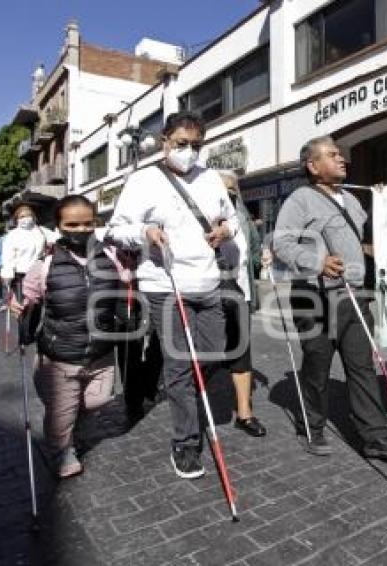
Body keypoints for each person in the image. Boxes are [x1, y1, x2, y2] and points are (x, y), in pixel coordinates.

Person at [106, 111, 237, 480]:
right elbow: (115, 231)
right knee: (180, 362)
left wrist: (225, 230)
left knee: (213, 351)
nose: (189, 151)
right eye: (182, 144)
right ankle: (185, 441)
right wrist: (145, 232)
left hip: (207, 281)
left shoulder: (211, 178)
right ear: (165, 141)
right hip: (165, 284)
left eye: (196, 145)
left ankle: (176, 388)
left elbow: (232, 219)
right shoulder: (142, 180)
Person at [272, 135, 387, 460]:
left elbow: (362, 243)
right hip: (315, 299)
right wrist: (317, 262)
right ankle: (312, 427)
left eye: (340, 154)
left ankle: (375, 436)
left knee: (362, 367)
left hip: (354, 297)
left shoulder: (354, 200)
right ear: (313, 166)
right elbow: (281, 243)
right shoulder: (300, 199)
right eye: (332, 155)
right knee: (317, 368)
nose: (341, 158)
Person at [9, 195, 126, 478]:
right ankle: (62, 451)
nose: (81, 230)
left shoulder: (111, 256)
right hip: (61, 354)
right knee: (62, 411)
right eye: (72, 224)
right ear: (59, 226)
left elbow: (128, 282)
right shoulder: (45, 265)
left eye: (88, 223)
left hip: (101, 352)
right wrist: (18, 305)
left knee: (98, 401)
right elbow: (29, 297)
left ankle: (66, 417)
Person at [218, 170, 266, 437]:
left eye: (233, 189)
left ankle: (244, 414)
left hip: (241, 292)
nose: (229, 193)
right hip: (209, 291)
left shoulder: (242, 212)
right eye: (224, 189)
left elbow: (254, 245)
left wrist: (261, 259)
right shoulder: (202, 212)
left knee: (241, 350)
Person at [1, 202, 57, 294]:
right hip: (21, 275)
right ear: (17, 219)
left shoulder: (41, 230)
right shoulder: (13, 235)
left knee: (43, 304)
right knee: (24, 305)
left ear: (33, 217)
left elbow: (57, 238)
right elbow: (8, 257)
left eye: (28, 215)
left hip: (41, 274)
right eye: (22, 216)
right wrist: (7, 275)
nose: (26, 218)